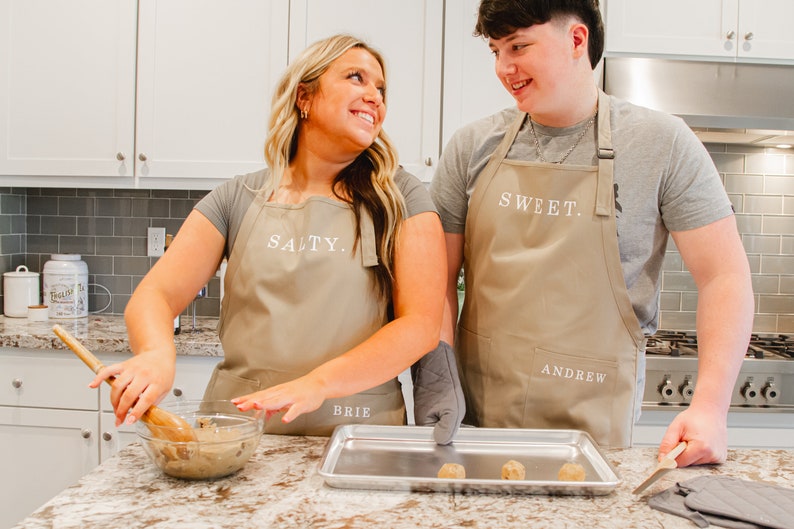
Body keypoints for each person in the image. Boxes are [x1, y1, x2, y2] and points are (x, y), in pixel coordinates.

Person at [90, 34, 463, 441]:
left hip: (356, 432)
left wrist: (318, 384)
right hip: (238, 433)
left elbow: (420, 326)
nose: (374, 96)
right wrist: (156, 354)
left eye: (381, 88)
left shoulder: (403, 198)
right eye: (356, 78)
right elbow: (156, 295)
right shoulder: (237, 197)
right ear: (305, 96)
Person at [429, 0, 753, 465]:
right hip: (481, 420)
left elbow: (724, 276)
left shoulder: (663, 143)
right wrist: (438, 382)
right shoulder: (470, 146)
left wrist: (710, 407)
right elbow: (438, 280)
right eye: (496, 51)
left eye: (518, 46)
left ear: (577, 40)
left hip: (596, 431)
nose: (504, 67)